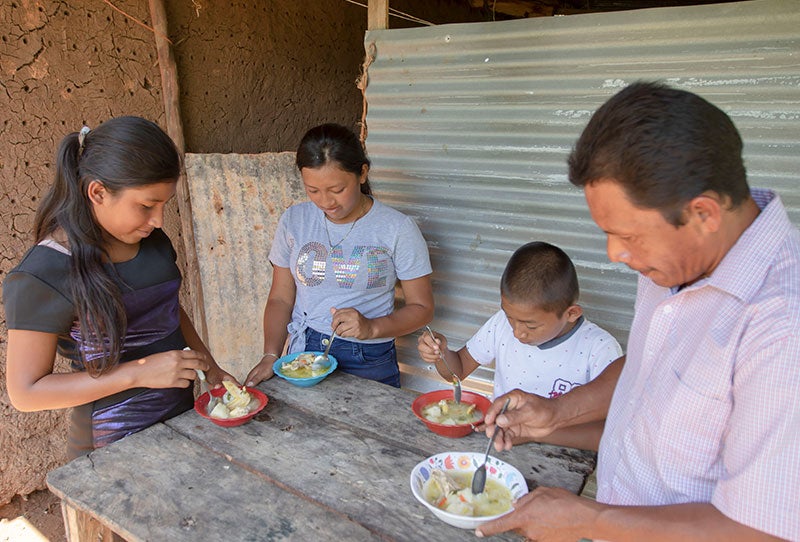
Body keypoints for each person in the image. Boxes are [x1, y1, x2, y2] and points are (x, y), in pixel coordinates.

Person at [476, 82, 800, 541]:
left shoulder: (783, 327)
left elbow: (764, 530)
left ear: (704, 213)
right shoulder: (671, 263)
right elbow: (650, 365)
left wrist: (588, 520)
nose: (614, 254)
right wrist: (557, 413)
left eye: (628, 236)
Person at [3, 116, 234, 459]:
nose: (158, 220)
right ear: (97, 192)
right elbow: (26, 393)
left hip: (182, 422)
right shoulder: (45, 272)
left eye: (163, 205)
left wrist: (210, 368)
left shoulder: (152, 242)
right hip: (110, 444)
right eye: (145, 205)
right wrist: (138, 374)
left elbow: (167, 309)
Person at [245, 123, 434, 388]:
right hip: (304, 351)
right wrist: (270, 355)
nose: (325, 202)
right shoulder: (294, 221)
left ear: (362, 173)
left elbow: (422, 308)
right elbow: (280, 297)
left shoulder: (396, 228)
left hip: (367, 357)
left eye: (337, 190)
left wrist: (371, 328)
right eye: (313, 190)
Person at [418, 241, 621, 403]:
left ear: (571, 313)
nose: (517, 332)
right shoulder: (500, 325)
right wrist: (440, 354)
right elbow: (458, 371)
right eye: (510, 317)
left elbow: (608, 422)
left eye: (531, 326)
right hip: (500, 442)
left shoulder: (600, 349)